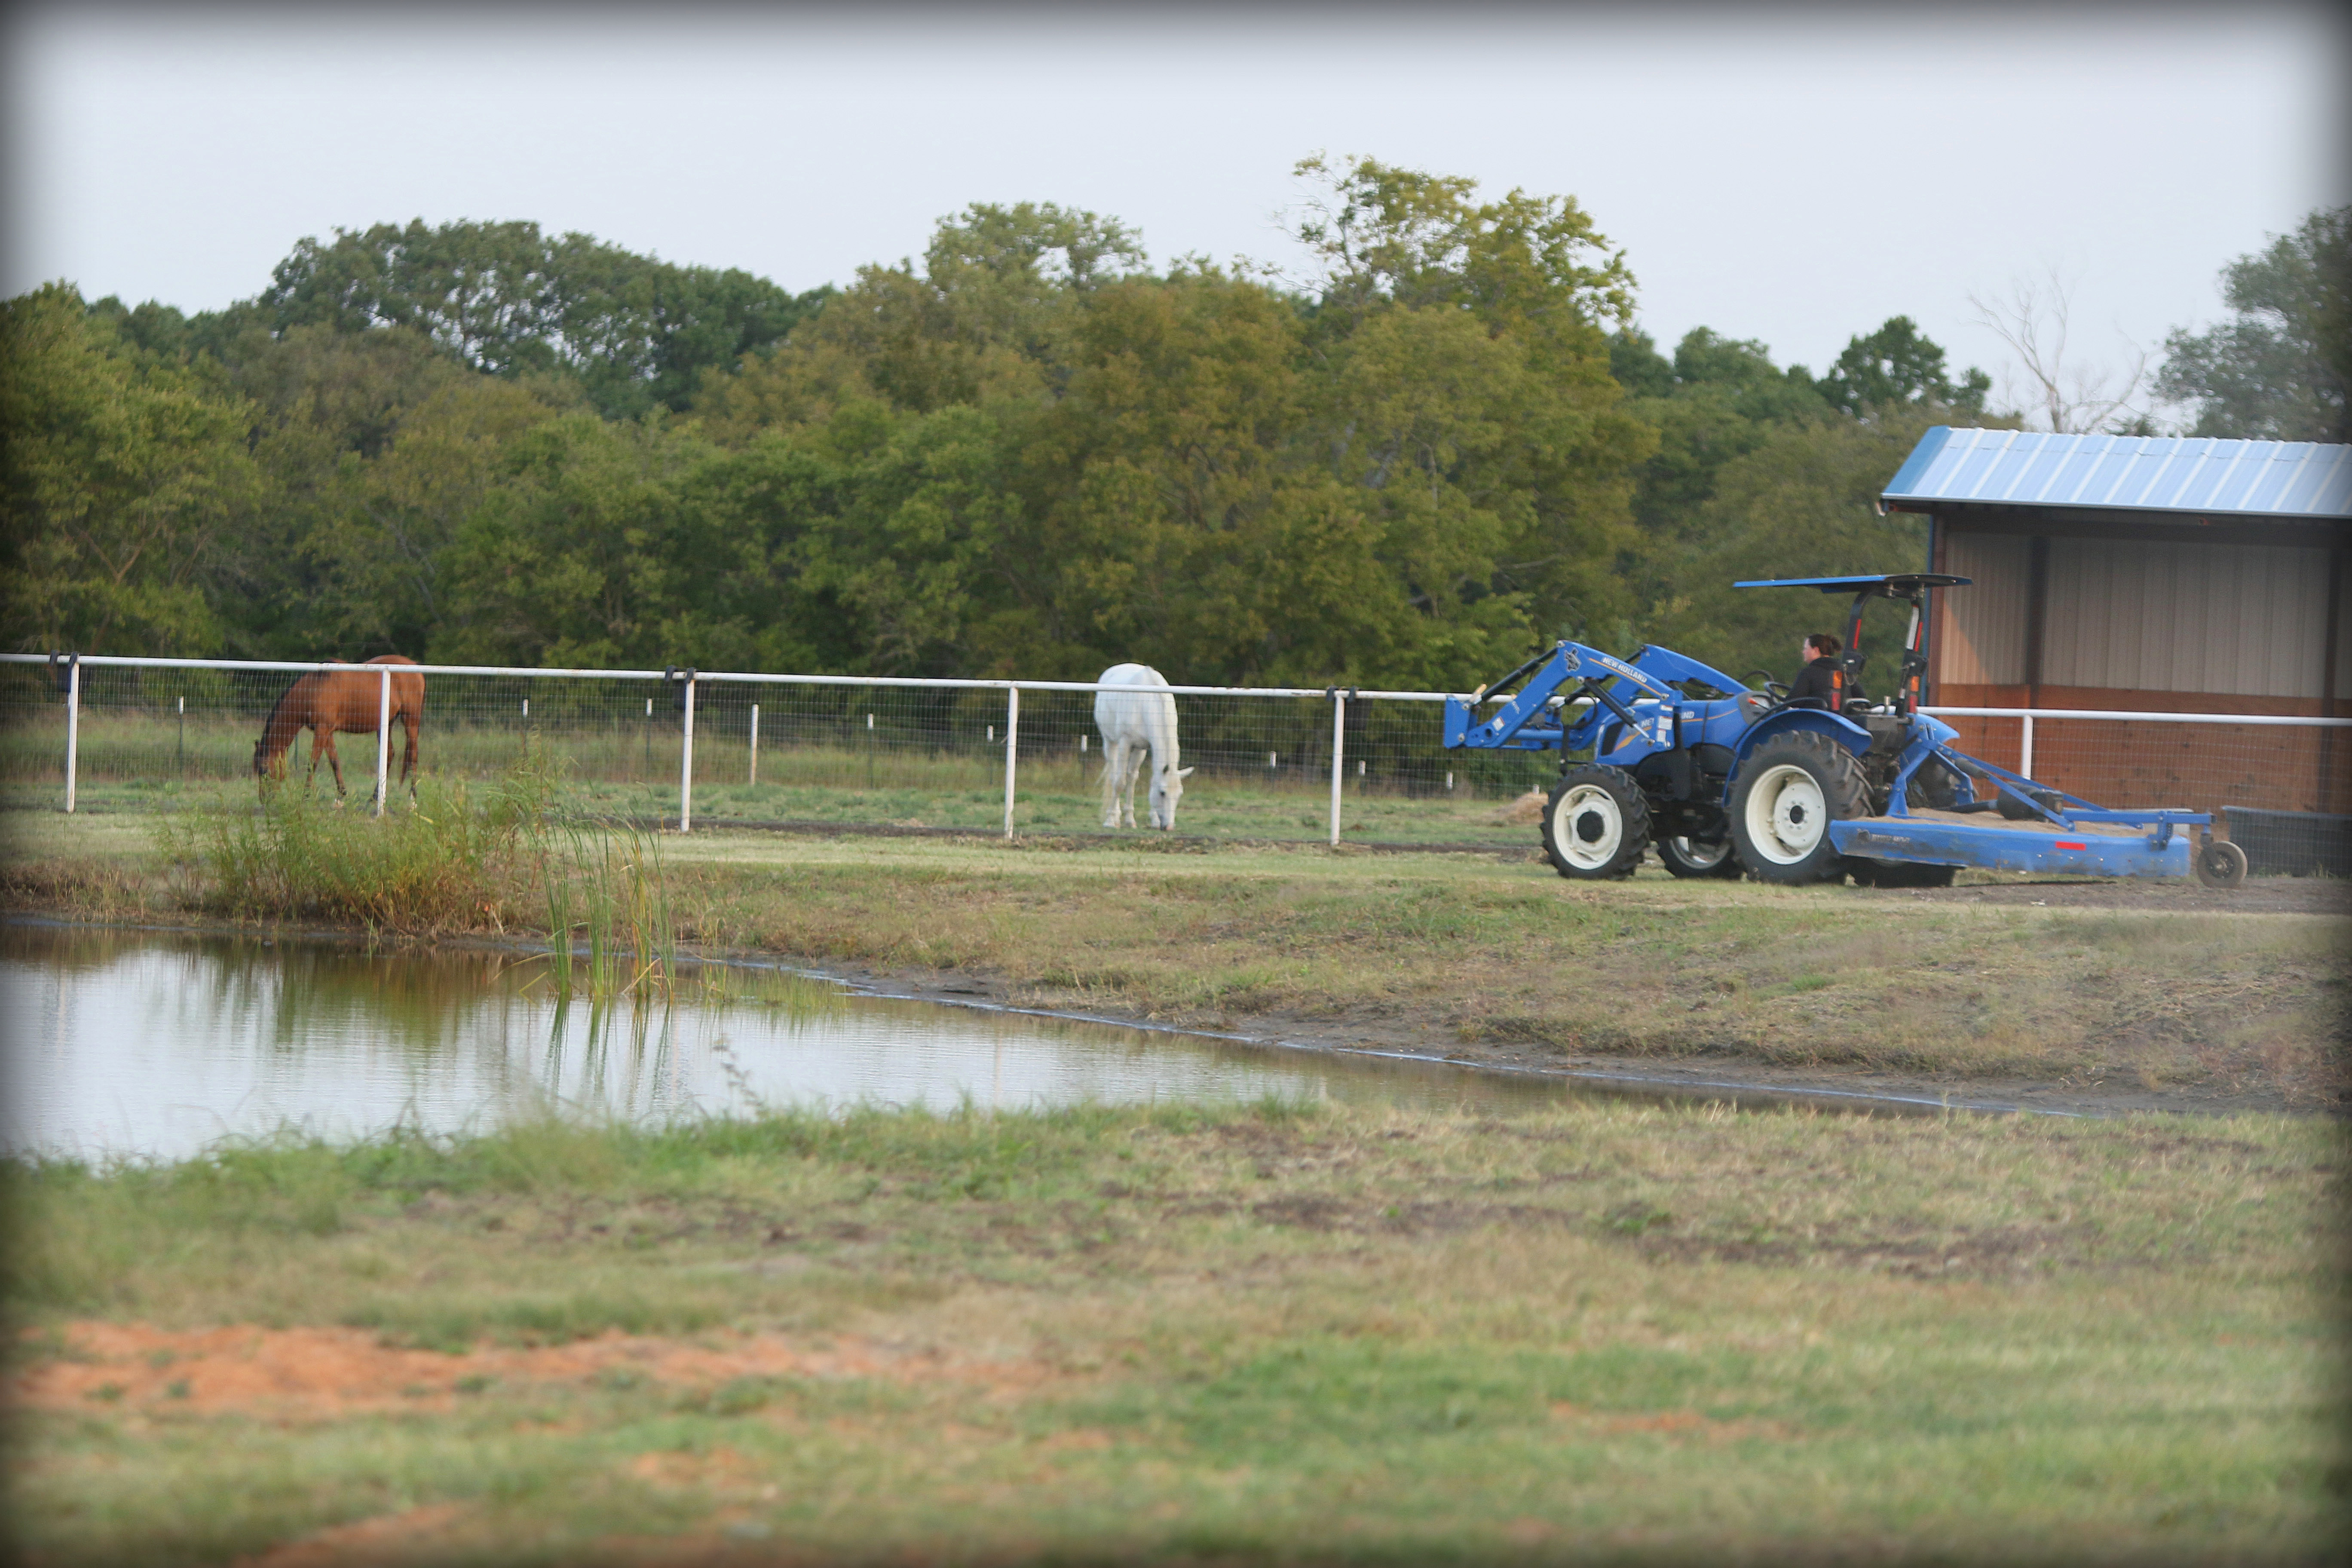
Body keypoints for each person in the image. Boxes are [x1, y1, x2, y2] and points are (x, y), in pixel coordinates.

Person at [1788, 632, 1846, 708]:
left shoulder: (1808, 673)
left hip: (1814, 718)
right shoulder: (1846, 674)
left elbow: (1792, 701)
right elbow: (1861, 696)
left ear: (1816, 650)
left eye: (1805, 649)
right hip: (1841, 719)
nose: (1803, 652)